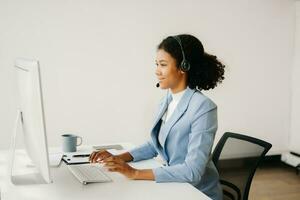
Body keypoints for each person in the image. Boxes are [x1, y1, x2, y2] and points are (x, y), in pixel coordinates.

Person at [89, 34, 225, 200]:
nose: (157, 71)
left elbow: (192, 171)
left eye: (163, 65)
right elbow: (156, 145)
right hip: (175, 185)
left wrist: (134, 173)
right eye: (156, 64)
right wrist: (117, 158)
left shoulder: (203, 108)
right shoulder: (167, 101)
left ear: (183, 66)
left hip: (197, 192)